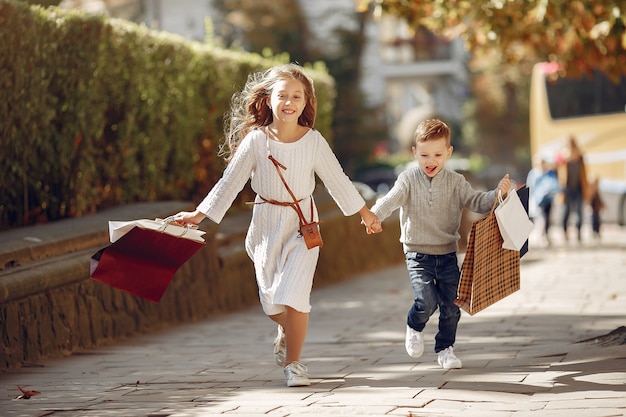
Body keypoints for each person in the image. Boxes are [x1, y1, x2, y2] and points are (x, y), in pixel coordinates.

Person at [170, 64, 380, 387]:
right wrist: (198, 215)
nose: (289, 102)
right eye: (282, 95)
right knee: (272, 302)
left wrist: (364, 213)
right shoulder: (256, 141)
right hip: (266, 225)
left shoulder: (314, 141)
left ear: (305, 101)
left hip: (303, 224)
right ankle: (284, 328)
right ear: (269, 99)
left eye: (297, 96)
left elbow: (337, 179)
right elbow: (229, 183)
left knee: (294, 294)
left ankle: (294, 365)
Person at [367, 118, 510, 369]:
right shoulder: (408, 179)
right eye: (424, 155)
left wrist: (498, 194)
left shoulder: (455, 182)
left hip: (446, 255)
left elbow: (477, 201)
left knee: (451, 305)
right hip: (417, 255)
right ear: (414, 152)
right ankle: (414, 325)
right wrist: (374, 215)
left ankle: (446, 349)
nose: (430, 161)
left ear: (448, 153)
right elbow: (389, 200)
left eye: (437, 154)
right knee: (426, 300)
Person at [556, 135, 589, 242]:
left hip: (579, 187)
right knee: (566, 211)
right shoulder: (563, 157)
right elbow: (556, 166)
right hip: (567, 188)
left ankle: (579, 233)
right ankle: (565, 231)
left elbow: (584, 172)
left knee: (579, 211)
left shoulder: (580, 157)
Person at [532, 158, 560, 246]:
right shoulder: (534, 174)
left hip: (548, 199)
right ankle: (540, 236)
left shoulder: (549, 173)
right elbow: (531, 187)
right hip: (539, 200)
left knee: (547, 218)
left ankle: (546, 236)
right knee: (541, 218)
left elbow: (555, 184)